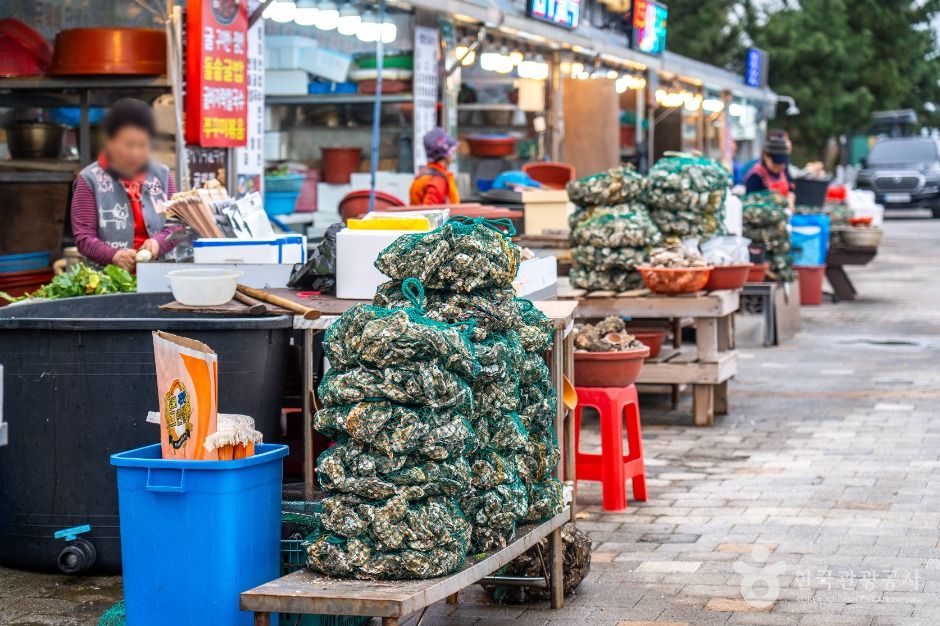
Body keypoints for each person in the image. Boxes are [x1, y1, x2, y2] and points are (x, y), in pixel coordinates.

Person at [71, 98, 183, 271]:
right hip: (108, 283)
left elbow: (177, 226)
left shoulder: (162, 174)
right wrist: (113, 255)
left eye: (142, 144)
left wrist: (158, 243)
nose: (136, 152)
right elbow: (84, 238)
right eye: (129, 144)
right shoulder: (89, 180)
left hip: (160, 278)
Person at [744, 132, 795, 209]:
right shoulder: (755, 176)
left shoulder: (784, 170)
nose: (780, 166)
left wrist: (790, 202)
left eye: (783, 163)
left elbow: (791, 190)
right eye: (776, 163)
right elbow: (752, 204)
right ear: (766, 156)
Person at [409, 128, 460, 205]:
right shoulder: (437, 181)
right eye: (452, 151)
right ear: (445, 154)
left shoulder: (427, 173)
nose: (453, 154)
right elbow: (430, 213)